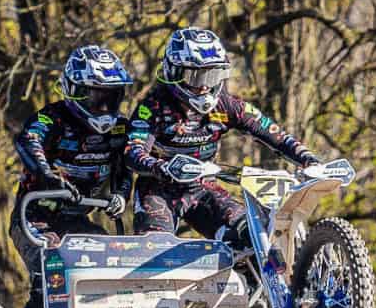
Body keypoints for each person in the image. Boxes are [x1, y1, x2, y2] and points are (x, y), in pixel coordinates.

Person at [125, 27, 320, 245]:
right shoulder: (152, 107)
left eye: (214, 75)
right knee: (154, 248)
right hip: (157, 191)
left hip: (203, 188)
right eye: (197, 76)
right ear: (175, 73)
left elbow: (275, 134)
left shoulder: (227, 105)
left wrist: (308, 159)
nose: (206, 85)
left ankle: (251, 276)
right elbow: (133, 151)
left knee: (252, 238)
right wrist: (160, 167)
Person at [11, 44, 135, 308]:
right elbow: (28, 140)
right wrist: (47, 176)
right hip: (33, 218)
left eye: (111, 97)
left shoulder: (120, 129)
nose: (104, 106)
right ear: (76, 91)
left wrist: (120, 195)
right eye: (97, 96)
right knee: (53, 262)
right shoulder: (51, 118)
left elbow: (126, 165)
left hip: (79, 220)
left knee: (112, 258)